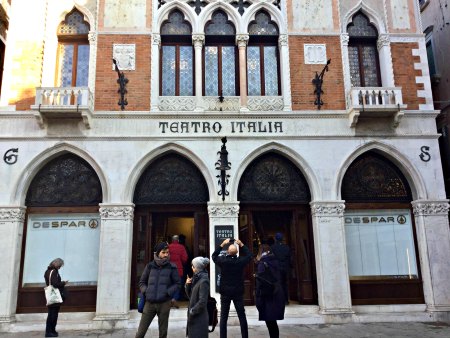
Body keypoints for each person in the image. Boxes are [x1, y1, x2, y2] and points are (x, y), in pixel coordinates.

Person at [135, 242, 180, 338]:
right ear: (157, 253)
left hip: (164, 304)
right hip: (149, 304)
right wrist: (146, 291)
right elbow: (142, 282)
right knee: (140, 333)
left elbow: (177, 284)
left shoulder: (172, 267)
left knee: (163, 334)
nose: (166, 255)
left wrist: (167, 292)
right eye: (163, 252)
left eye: (167, 252)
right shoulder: (149, 266)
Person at [212, 238, 252, 338]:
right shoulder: (240, 261)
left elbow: (214, 256)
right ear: (237, 252)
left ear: (228, 252)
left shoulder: (223, 261)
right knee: (242, 316)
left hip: (225, 292)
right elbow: (250, 256)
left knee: (224, 317)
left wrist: (222, 244)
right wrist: (241, 244)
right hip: (238, 292)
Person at [255, 244, 285, 338]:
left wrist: (257, 297)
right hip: (277, 293)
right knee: (273, 321)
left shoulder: (262, 264)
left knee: (270, 322)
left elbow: (260, 282)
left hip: (267, 295)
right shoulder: (276, 261)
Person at [185, 257, 210, 338]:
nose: (192, 267)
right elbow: (190, 296)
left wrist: (192, 311)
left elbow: (202, 301)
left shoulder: (204, 281)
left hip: (199, 318)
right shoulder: (196, 278)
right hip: (194, 317)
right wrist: (188, 285)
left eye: (193, 266)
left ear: (197, 268)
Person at [44, 258, 68, 337]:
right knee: (53, 314)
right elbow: (55, 284)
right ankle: (50, 332)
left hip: (51, 295)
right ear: (57, 264)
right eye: (60, 266)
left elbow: (49, 283)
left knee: (51, 313)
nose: (60, 267)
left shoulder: (47, 271)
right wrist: (63, 283)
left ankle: (51, 331)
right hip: (54, 295)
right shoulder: (54, 272)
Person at [270, 232, 291, 304]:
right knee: (284, 284)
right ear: (282, 239)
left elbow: (271, 258)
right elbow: (290, 259)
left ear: (275, 239)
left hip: (276, 268)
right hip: (285, 268)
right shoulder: (287, 247)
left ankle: (278, 300)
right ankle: (286, 300)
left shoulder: (272, 248)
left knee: (277, 284)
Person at [169, 235, 188, 307]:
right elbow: (185, 258)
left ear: (172, 240)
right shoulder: (182, 247)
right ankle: (175, 298)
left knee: (170, 284)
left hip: (169, 269)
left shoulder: (168, 247)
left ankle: (170, 299)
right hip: (179, 269)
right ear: (178, 240)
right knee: (178, 284)